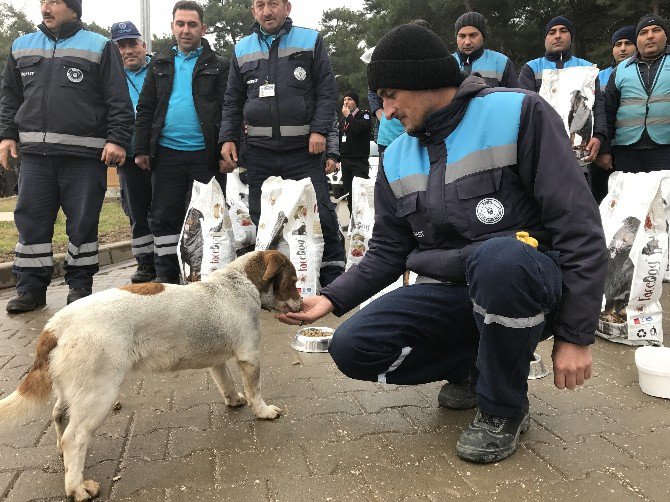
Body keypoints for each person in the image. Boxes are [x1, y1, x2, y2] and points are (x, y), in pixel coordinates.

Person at [277, 24, 606, 464]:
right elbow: (388, 250)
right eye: (379, 99)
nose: (386, 111)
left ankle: (503, 408)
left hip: (526, 285)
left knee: (500, 258)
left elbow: (579, 227)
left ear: (424, 80)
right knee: (352, 345)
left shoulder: (519, 113)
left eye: (390, 95)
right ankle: (475, 367)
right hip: (454, 292)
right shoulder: (396, 156)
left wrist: (576, 336)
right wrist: (332, 299)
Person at [0, 0, 134, 312]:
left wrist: (117, 139)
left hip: (84, 157)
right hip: (35, 156)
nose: (46, 7)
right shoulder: (21, 46)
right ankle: (30, 290)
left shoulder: (100, 46)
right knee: (31, 223)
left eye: (55, 2)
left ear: (74, 10)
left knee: (83, 225)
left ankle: (79, 287)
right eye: (43, 1)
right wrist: (6, 134)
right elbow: (9, 95)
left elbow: (118, 98)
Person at [219, 0, 345, 286]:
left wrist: (320, 131)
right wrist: (227, 137)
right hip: (259, 151)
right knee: (262, 217)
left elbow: (327, 91)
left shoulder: (310, 40)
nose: (267, 11)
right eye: (260, 5)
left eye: (273, 3)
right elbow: (232, 100)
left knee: (321, 212)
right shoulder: (241, 49)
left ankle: (333, 273)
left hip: (303, 150)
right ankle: (274, 280)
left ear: (287, 7)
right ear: (253, 11)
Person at [134, 1, 230, 284]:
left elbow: (229, 110)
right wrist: (141, 148)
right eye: (180, 24)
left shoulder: (220, 65)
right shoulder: (159, 64)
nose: (185, 30)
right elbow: (146, 107)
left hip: (207, 156)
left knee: (211, 218)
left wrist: (228, 148)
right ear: (172, 26)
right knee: (164, 217)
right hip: (167, 154)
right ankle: (166, 278)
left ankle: (208, 277)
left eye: (192, 24)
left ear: (203, 28)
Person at [518, 16, 607, 164]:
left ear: (571, 37)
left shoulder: (588, 68)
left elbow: (598, 105)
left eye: (563, 31)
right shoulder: (531, 68)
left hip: (581, 151)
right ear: (545, 39)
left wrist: (599, 136)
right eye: (552, 32)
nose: (558, 35)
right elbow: (524, 110)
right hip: (542, 149)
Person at [111, 21, 156, 283]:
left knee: (163, 211)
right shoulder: (110, 75)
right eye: (121, 46)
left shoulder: (160, 69)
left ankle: (168, 259)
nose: (128, 51)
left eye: (132, 44)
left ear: (143, 46)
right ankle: (145, 262)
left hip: (159, 153)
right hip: (128, 155)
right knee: (137, 212)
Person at [600, 15, 669, 174]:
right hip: (627, 151)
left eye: (656, 30)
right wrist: (604, 149)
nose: (650, 36)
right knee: (631, 198)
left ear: (666, 36)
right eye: (643, 32)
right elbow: (608, 111)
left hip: (666, 149)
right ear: (637, 39)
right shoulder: (621, 69)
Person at [589, 25, 636, 203]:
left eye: (628, 43)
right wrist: (603, 149)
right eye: (618, 44)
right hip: (600, 150)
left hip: (630, 149)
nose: (622, 49)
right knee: (602, 202)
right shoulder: (597, 77)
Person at [453, 11, 518, 88]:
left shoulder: (502, 62)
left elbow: (513, 97)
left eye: (473, 35)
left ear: (483, 36)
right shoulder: (447, 63)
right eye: (462, 36)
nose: (467, 42)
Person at [339, 90, 371, 215]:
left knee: (360, 191)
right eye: (345, 100)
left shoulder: (364, 115)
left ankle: (363, 220)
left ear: (356, 102)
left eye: (349, 99)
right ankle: (353, 219)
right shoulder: (343, 120)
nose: (346, 102)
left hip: (359, 160)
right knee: (349, 192)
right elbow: (340, 139)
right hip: (345, 160)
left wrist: (349, 116)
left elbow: (358, 129)